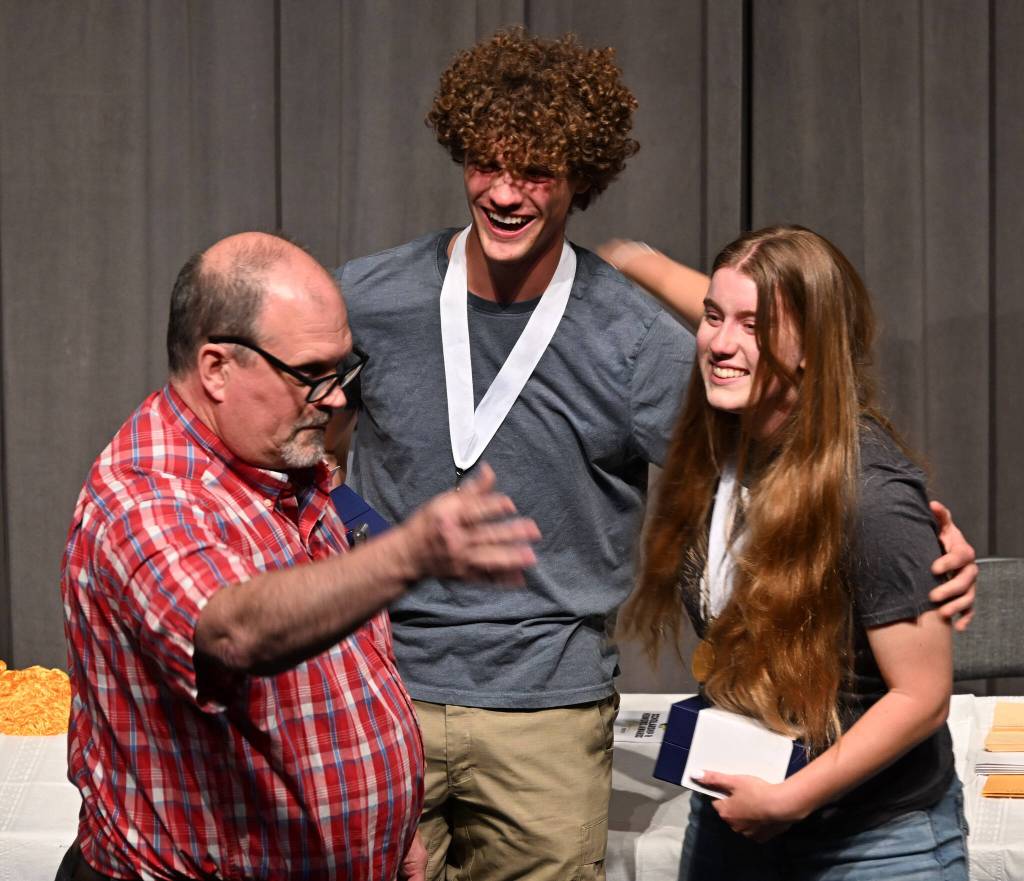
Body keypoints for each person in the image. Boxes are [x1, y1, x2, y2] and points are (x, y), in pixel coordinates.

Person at [329, 29, 977, 881]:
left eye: (535, 171)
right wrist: (331, 532)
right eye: (487, 163)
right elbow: (291, 437)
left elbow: (804, 416)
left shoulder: (633, 339)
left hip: (548, 713)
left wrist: (920, 538)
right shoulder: (369, 297)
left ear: (580, 179)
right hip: (382, 689)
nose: (505, 191)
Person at [59, 232, 539, 881]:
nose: (337, 397)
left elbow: (342, 654)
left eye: (342, 370)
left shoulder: (285, 462)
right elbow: (235, 629)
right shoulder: (143, 496)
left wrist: (389, 835)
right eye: (311, 374)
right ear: (216, 368)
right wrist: (410, 552)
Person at [624, 225, 968, 879]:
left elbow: (923, 695)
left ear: (810, 346)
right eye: (713, 317)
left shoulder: (868, 490)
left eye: (751, 325)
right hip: (739, 816)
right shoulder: (724, 445)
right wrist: (635, 258)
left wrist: (791, 799)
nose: (721, 343)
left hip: (870, 843)